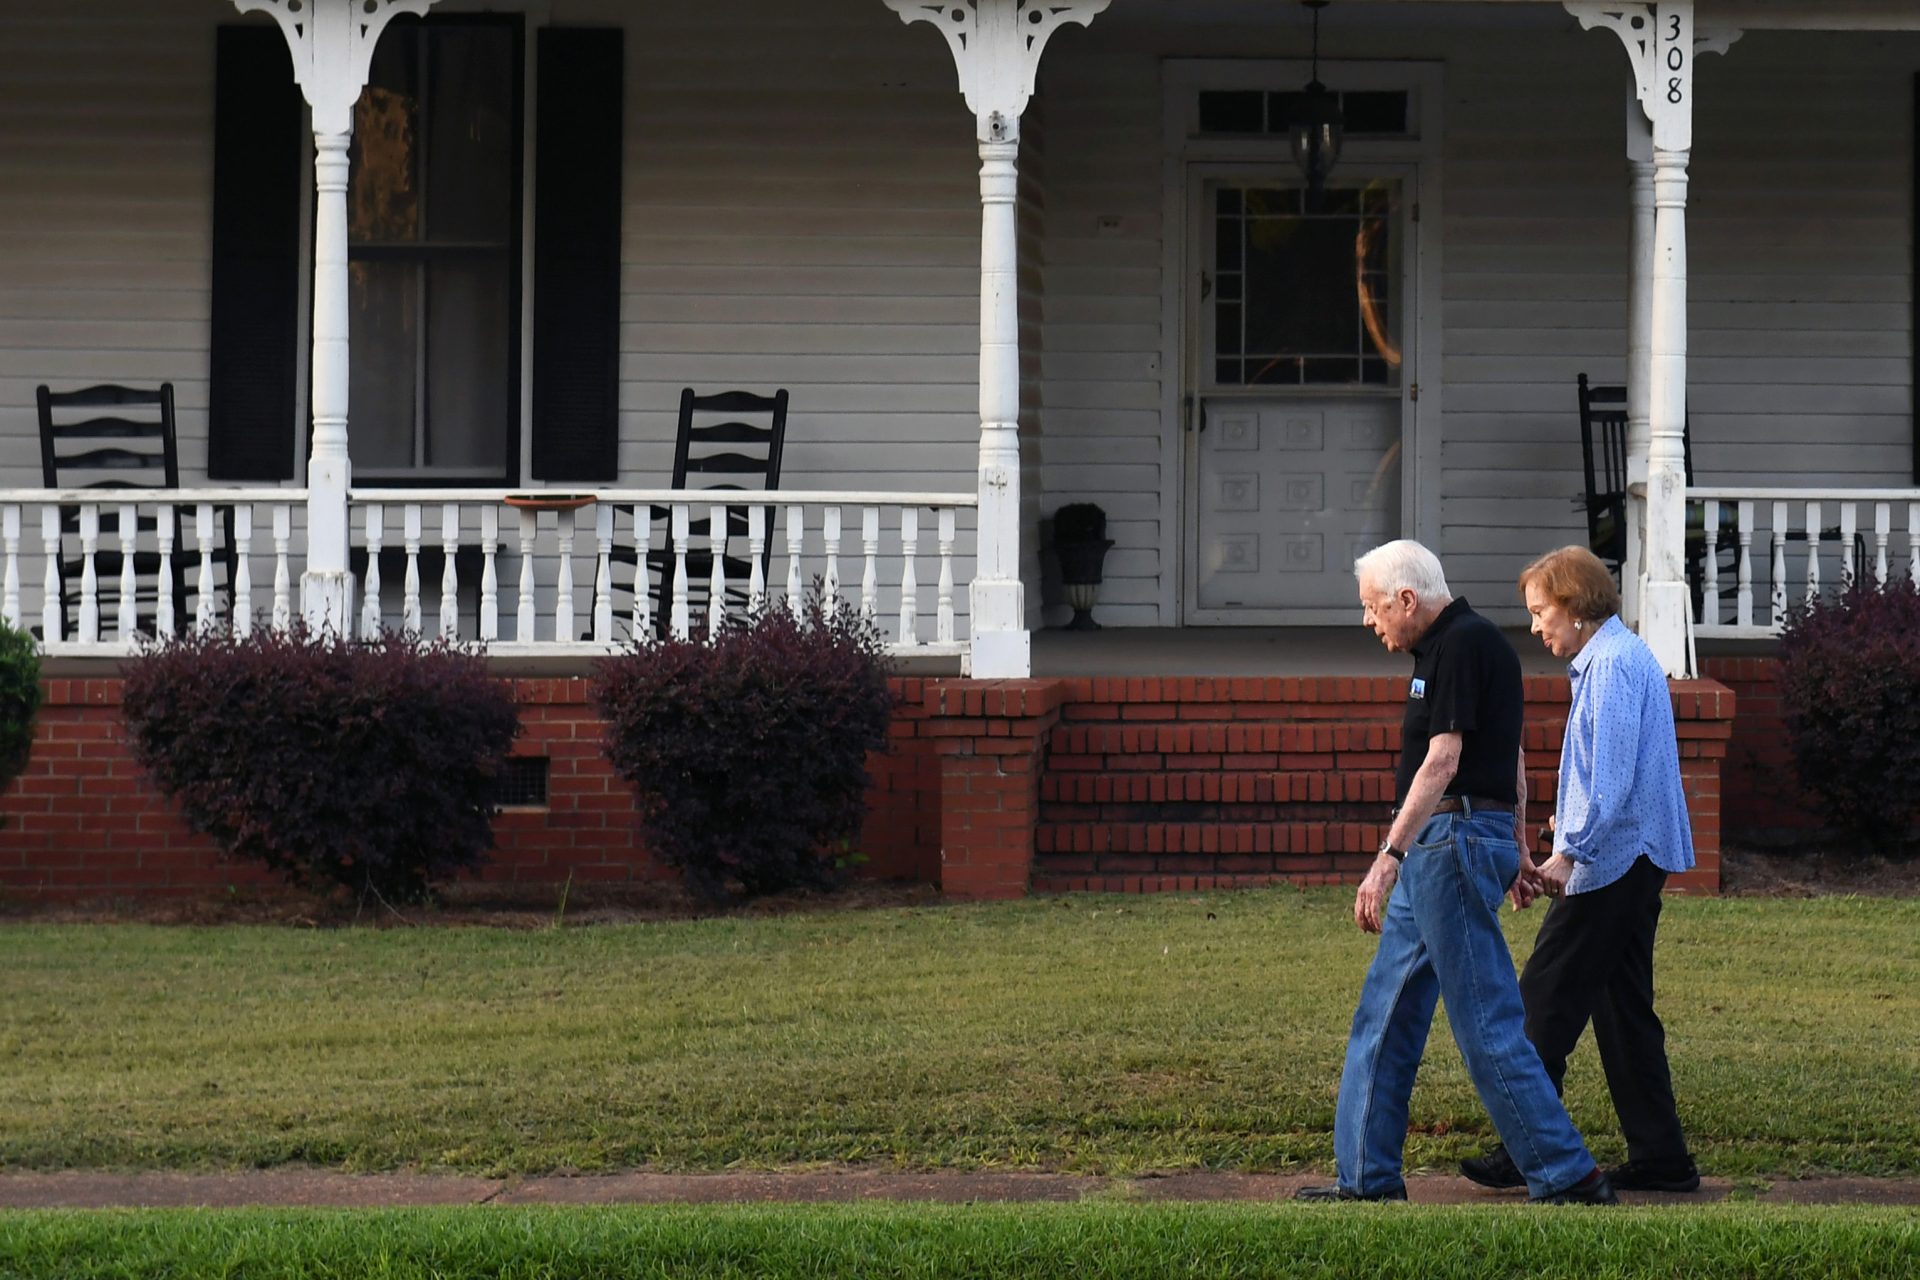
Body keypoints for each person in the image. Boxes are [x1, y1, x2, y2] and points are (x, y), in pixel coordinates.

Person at [1296, 540, 1616, 1205]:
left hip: (1449, 842)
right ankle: (1366, 1178)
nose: (1368, 621)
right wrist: (1520, 846)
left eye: (1373, 607)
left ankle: (1567, 1174)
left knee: (1486, 1022)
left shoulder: (1462, 645)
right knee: (1384, 1016)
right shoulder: (1458, 649)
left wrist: (1388, 858)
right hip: (1455, 842)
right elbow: (1516, 756)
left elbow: (1444, 762)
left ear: (1406, 599)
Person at [1456, 545, 1700, 1194]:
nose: (1536, 627)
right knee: (1623, 1012)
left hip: (1613, 862)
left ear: (1574, 605)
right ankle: (1662, 1160)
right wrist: (1561, 840)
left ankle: (1525, 1146)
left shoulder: (1614, 667)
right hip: (1628, 857)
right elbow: (1603, 776)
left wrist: (1569, 854)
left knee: (1542, 1000)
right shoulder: (1612, 659)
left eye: (1541, 612)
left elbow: (1612, 781)